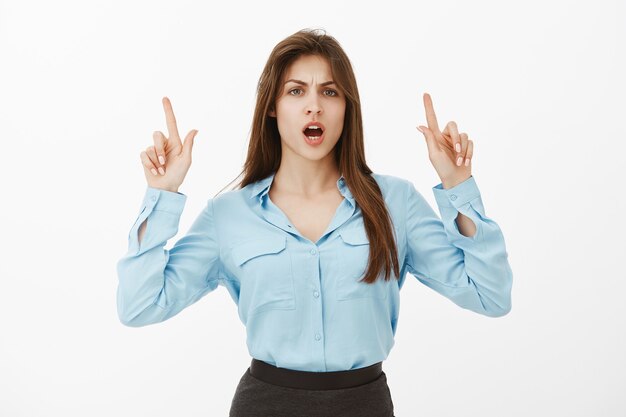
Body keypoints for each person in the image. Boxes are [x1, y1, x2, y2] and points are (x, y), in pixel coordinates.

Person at [116, 28, 513, 417]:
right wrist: (163, 195)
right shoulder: (229, 216)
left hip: (364, 405)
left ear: (346, 106)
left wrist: (458, 185)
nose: (314, 106)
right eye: (296, 91)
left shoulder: (396, 202)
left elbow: (490, 296)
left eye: (329, 91)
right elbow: (139, 306)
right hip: (263, 406)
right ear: (272, 106)